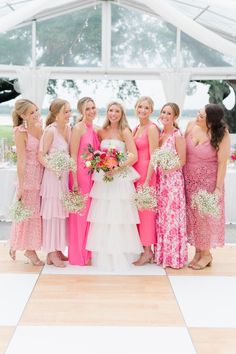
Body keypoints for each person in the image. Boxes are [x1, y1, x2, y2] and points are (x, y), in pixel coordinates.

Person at [86, 102, 143, 271]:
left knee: (119, 215)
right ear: (107, 112)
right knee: (103, 215)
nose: (113, 113)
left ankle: (120, 253)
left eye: (117, 111)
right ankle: (102, 253)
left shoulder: (125, 131)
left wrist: (117, 167)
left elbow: (133, 155)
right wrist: (101, 164)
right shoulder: (101, 131)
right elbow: (96, 152)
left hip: (119, 178)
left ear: (122, 114)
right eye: (111, 110)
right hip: (104, 178)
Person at [184, 103, 230, 270]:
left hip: (208, 182)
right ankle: (197, 252)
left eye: (202, 116)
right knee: (193, 217)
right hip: (188, 180)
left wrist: (217, 188)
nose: (198, 117)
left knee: (204, 219)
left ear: (211, 121)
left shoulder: (221, 134)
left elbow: (222, 163)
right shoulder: (190, 126)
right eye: (198, 113)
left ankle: (206, 254)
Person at [146, 102, 188, 269]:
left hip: (173, 182)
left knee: (172, 219)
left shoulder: (177, 135)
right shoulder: (161, 134)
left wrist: (167, 169)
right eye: (163, 112)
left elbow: (182, 160)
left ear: (175, 117)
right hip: (161, 183)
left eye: (169, 113)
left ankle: (174, 257)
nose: (164, 115)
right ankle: (163, 255)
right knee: (163, 218)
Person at [9, 99, 44, 265]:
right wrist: (21, 187)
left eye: (36, 110)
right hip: (28, 178)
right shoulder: (20, 132)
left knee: (37, 214)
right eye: (32, 112)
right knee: (28, 214)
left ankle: (24, 246)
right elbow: (21, 161)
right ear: (23, 115)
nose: (36, 114)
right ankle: (29, 251)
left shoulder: (39, 126)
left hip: (41, 175)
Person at [39, 98, 71, 267]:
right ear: (57, 113)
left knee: (61, 215)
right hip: (52, 178)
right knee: (52, 215)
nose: (69, 115)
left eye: (69, 111)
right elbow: (41, 155)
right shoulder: (50, 131)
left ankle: (58, 249)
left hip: (64, 178)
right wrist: (53, 167)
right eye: (66, 111)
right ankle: (51, 253)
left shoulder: (68, 129)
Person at [68, 97, 99, 265]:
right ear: (81, 111)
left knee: (89, 215)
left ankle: (88, 253)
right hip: (80, 174)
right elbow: (73, 155)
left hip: (92, 174)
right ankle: (78, 255)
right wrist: (74, 180)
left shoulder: (93, 128)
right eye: (87, 109)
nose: (91, 111)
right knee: (80, 215)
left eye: (93, 107)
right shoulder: (78, 128)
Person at [133, 96, 159, 265]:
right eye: (140, 107)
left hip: (146, 174)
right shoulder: (136, 128)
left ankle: (148, 251)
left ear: (151, 111)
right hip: (136, 174)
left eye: (146, 108)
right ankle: (143, 248)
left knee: (147, 213)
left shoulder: (152, 128)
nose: (143, 110)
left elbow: (154, 155)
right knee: (139, 214)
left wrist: (148, 178)